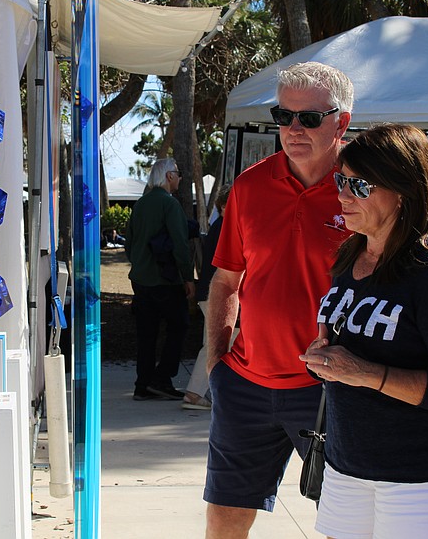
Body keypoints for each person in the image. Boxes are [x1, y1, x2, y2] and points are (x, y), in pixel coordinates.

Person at [302, 123, 428, 538]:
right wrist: (324, 360)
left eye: (360, 187)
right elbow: (350, 352)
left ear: (402, 192)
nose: (343, 196)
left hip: (421, 476)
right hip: (347, 466)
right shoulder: (351, 256)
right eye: (341, 181)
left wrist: (365, 373)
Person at [204, 61, 353, 536]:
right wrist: (217, 368)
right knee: (225, 517)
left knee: (344, 519)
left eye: (309, 118)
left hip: (331, 387)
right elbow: (226, 281)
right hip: (244, 385)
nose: (293, 129)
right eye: (282, 116)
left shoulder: (365, 190)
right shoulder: (249, 187)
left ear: (341, 122)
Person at [125, 158, 195, 401]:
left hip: (141, 280)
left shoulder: (141, 204)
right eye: (178, 173)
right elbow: (180, 243)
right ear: (168, 176)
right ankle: (162, 378)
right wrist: (188, 276)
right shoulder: (170, 204)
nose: (180, 178)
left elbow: (129, 242)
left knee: (146, 334)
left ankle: (142, 385)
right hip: (165, 280)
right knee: (179, 325)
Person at [183, 185, 233, 411]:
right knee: (219, 342)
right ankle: (196, 393)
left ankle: (200, 392)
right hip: (215, 293)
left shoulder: (219, 226)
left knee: (217, 342)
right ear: (223, 205)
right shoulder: (225, 226)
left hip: (211, 292)